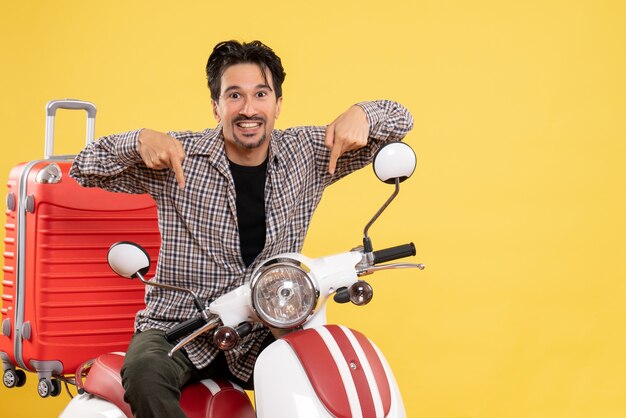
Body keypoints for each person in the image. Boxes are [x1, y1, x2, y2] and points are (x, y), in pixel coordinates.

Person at [70, 39, 414, 418]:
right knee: (144, 372)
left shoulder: (309, 152)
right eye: (234, 95)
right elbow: (85, 166)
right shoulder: (178, 155)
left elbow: (401, 121)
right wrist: (137, 141)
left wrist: (363, 113)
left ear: (277, 104)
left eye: (260, 94)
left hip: (267, 324)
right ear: (216, 106)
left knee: (327, 367)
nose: (248, 109)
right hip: (182, 325)